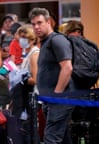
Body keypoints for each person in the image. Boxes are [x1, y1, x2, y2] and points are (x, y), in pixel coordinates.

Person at [29, 7, 74, 144]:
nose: (36, 27)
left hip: (59, 99)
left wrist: (57, 95)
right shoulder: (45, 42)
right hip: (50, 100)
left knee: (51, 139)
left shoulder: (57, 40)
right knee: (63, 138)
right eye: (33, 24)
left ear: (49, 22)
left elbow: (67, 68)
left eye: (40, 23)